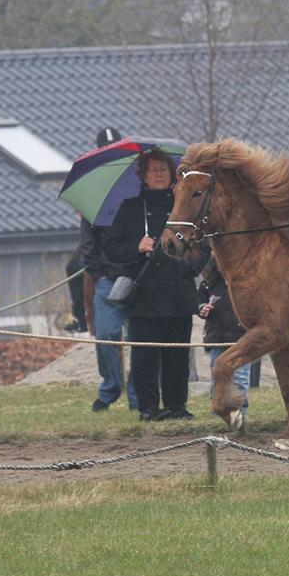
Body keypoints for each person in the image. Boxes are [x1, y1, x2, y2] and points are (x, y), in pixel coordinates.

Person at [104, 149, 203, 421]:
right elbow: (111, 249)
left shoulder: (182, 203)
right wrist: (136, 246)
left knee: (177, 357)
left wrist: (188, 266)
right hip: (144, 296)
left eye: (163, 169)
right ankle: (148, 408)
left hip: (178, 293)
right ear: (144, 176)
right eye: (153, 170)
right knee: (145, 357)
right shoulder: (131, 208)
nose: (159, 174)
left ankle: (177, 406)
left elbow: (202, 246)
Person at [83, 127, 139, 412]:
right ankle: (110, 387)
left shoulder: (139, 187)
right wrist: (99, 274)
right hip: (107, 278)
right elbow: (87, 243)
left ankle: (137, 395)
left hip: (138, 275)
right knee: (105, 335)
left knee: (140, 340)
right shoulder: (91, 196)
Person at [197, 255, 252, 411]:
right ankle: (220, 411)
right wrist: (202, 308)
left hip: (241, 338)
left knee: (240, 377)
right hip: (217, 336)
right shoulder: (209, 284)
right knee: (217, 376)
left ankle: (240, 412)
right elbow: (198, 301)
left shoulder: (246, 282)